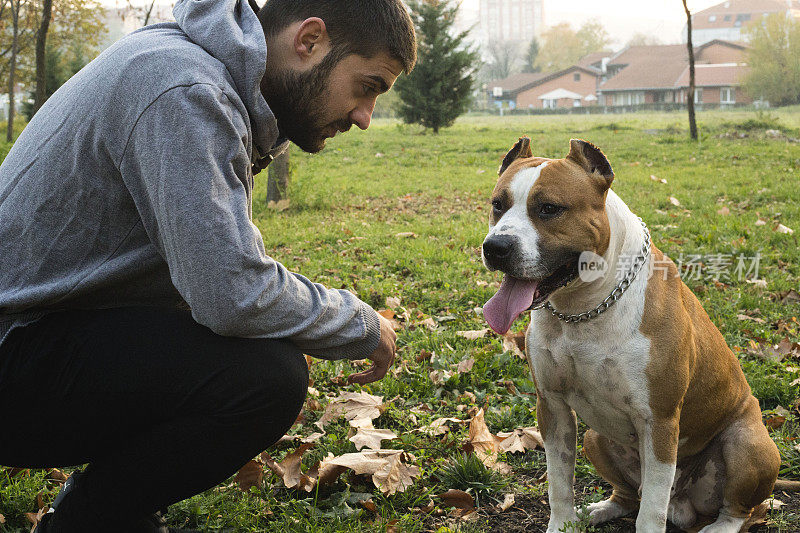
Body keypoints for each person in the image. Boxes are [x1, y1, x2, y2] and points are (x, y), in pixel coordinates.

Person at [0, 0, 416, 530]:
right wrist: (358, 322)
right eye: (369, 86)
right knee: (264, 379)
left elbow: (212, 275)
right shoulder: (185, 90)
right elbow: (232, 293)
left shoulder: (191, 69)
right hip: (14, 347)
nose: (364, 117)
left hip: (39, 331)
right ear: (309, 40)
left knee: (235, 352)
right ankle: (88, 521)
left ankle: (113, 512)